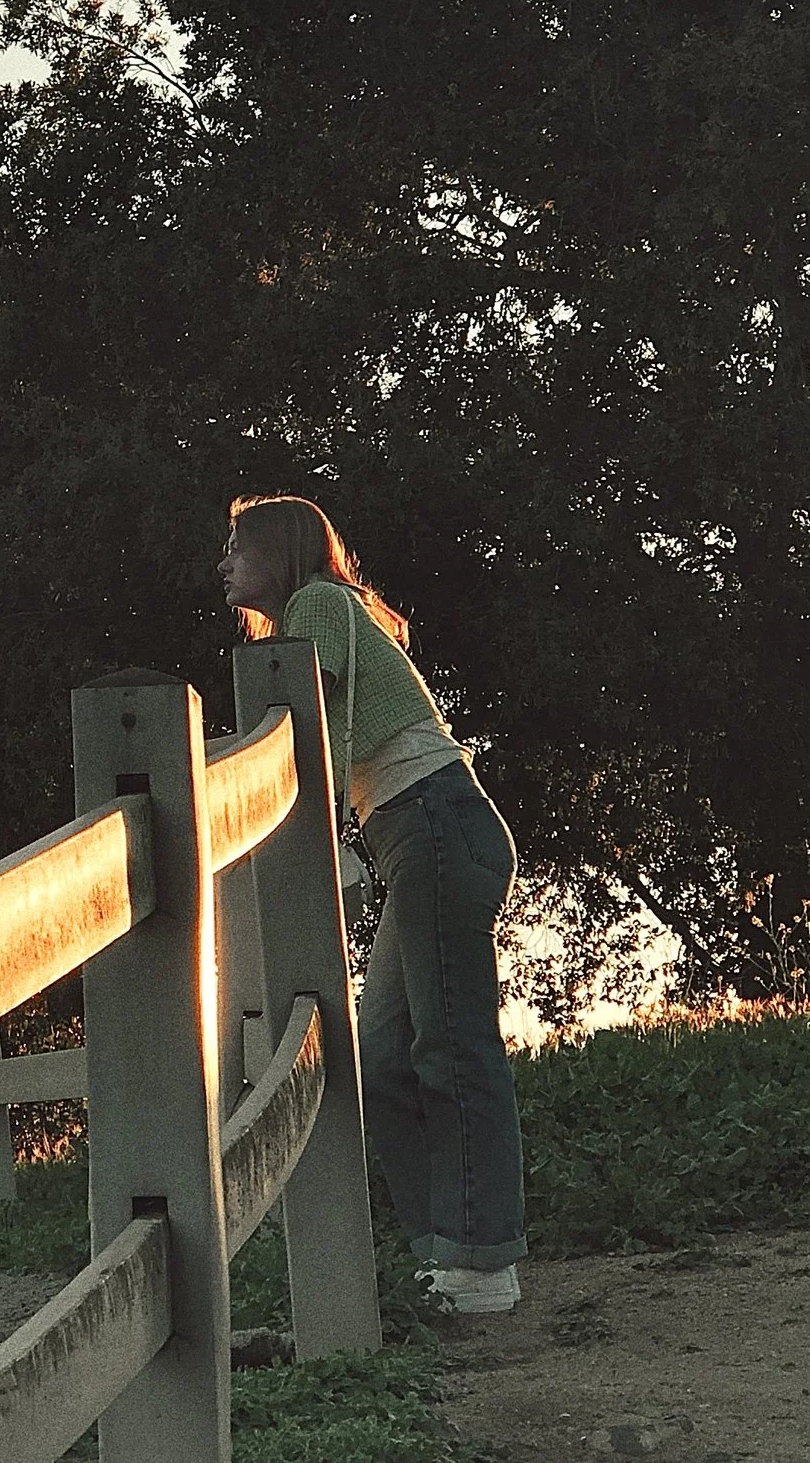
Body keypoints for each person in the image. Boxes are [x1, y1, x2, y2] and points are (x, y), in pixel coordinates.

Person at [217, 493, 527, 1313]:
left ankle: (481, 1264)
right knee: (385, 1055)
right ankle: (442, 1256)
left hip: (433, 820)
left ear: (279, 553)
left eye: (236, 547)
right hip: (416, 833)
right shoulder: (322, 615)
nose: (224, 563)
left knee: (451, 1042)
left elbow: (306, 741)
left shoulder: (318, 603)